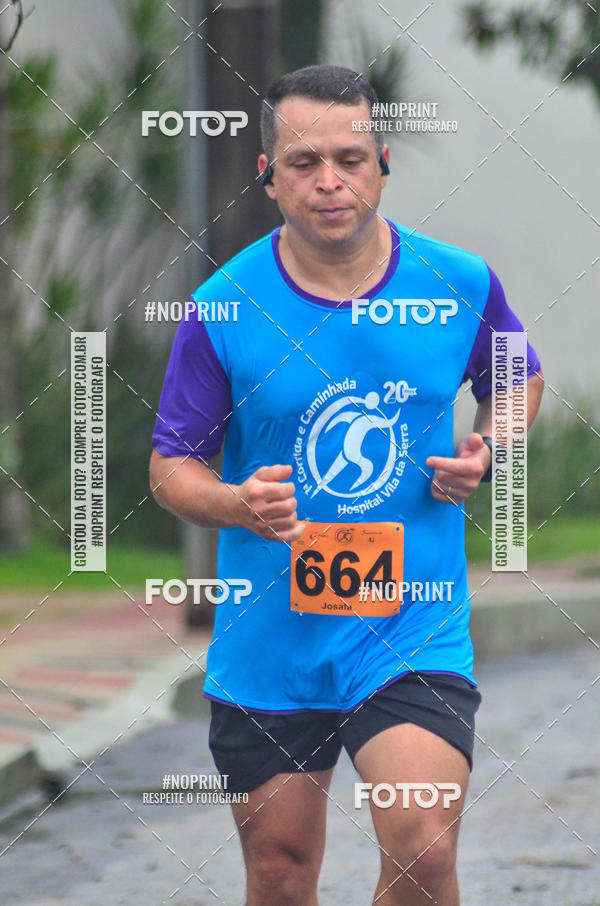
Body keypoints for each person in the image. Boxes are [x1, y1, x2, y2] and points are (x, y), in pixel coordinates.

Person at [150, 65, 544, 906]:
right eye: (302, 163)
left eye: (350, 158)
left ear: (382, 163)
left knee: (425, 850)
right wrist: (232, 502)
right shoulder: (222, 308)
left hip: (411, 620)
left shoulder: (457, 282)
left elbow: (515, 379)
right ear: (267, 176)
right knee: (283, 872)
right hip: (272, 641)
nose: (329, 182)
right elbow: (171, 465)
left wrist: (490, 446)